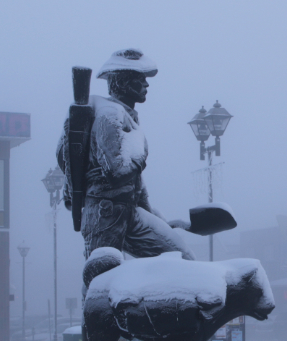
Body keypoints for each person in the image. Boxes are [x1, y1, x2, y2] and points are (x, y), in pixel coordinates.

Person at [57, 48, 193, 260]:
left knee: (182, 258)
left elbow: (134, 182)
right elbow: (117, 172)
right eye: (140, 79)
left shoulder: (125, 116)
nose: (147, 84)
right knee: (100, 275)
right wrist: (142, 153)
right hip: (106, 213)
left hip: (128, 210)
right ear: (123, 82)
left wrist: (155, 216)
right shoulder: (110, 116)